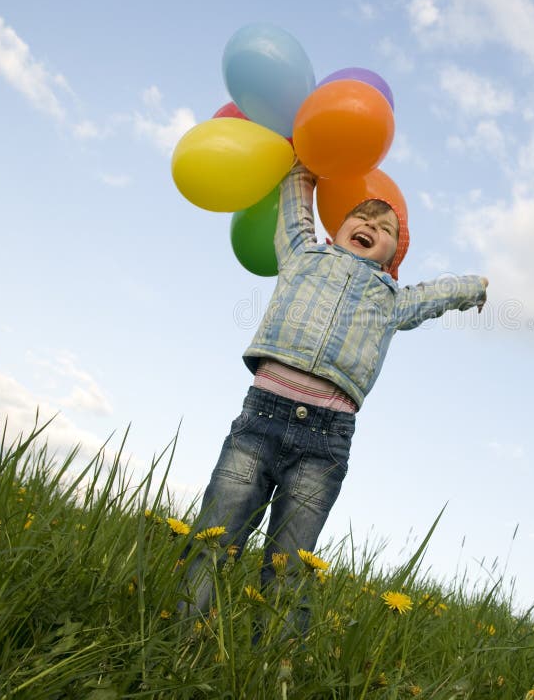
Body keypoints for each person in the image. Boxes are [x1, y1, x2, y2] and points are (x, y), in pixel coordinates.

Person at [184, 162, 488, 621]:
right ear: (339, 227)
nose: (371, 224)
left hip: (324, 443)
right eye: (361, 216)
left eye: (386, 228)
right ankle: (183, 638)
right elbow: (295, 211)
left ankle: (274, 669)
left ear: (391, 259)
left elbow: (435, 295)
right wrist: (302, 167)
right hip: (260, 420)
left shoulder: (390, 299)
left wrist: (474, 287)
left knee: (290, 568)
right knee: (215, 536)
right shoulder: (302, 254)